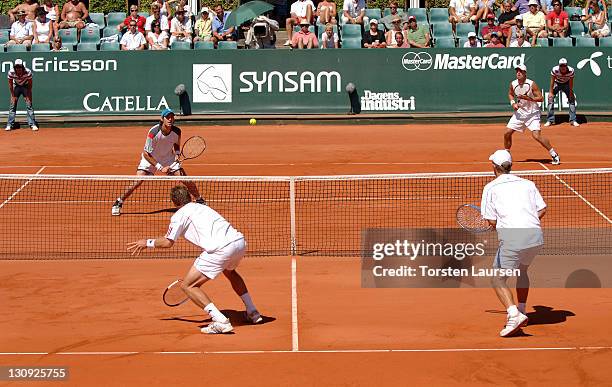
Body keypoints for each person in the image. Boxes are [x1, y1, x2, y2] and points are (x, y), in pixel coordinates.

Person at [127, 185, 263, 334]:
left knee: (188, 286)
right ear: (190, 197)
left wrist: (147, 242)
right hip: (239, 243)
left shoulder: (178, 216)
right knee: (230, 272)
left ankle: (220, 321)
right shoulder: (203, 207)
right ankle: (253, 312)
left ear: (174, 202)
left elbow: (168, 242)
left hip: (219, 250)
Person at [481, 149, 547, 337]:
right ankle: (522, 309)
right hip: (535, 237)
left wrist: (500, 225)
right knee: (522, 270)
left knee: (497, 278)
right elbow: (542, 209)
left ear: (494, 167)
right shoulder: (528, 183)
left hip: (513, 238)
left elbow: (492, 222)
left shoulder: (490, 188)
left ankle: (513, 314)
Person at [112, 109, 205, 216]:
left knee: (185, 179)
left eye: (172, 117)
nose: (170, 119)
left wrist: (177, 154)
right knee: (137, 181)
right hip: (150, 158)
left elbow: (176, 145)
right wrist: (161, 167)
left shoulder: (177, 131)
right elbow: (146, 154)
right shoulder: (153, 133)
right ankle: (118, 202)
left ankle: (199, 199)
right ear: (162, 119)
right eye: (167, 117)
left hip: (168, 158)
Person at [505, 64, 560, 165]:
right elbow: (510, 94)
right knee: (507, 133)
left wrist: (528, 98)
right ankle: (506, 155)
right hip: (520, 113)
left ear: (525, 73)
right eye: (517, 71)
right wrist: (513, 103)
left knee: (536, 136)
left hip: (533, 114)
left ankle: (554, 154)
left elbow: (541, 98)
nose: (518, 73)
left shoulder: (531, 84)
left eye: (520, 71)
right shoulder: (513, 84)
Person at [6, 59, 38, 132]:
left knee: (29, 104)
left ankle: (32, 124)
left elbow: (30, 84)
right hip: (15, 86)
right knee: (12, 105)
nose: (18, 68)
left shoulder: (28, 72)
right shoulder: (11, 72)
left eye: (19, 67)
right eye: (16, 67)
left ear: (22, 67)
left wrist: (28, 95)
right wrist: (13, 95)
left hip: (25, 86)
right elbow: (10, 85)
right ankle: (9, 125)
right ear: (14, 67)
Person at [545, 58, 578, 127]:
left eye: (564, 66)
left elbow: (571, 82)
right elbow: (552, 80)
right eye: (561, 66)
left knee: (572, 99)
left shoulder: (571, 71)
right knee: (550, 99)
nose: (563, 67)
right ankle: (550, 120)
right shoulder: (555, 70)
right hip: (557, 83)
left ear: (566, 66)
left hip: (567, 84)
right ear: (559, 66)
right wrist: (551, 92)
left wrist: (571, 91)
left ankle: (573, 120)